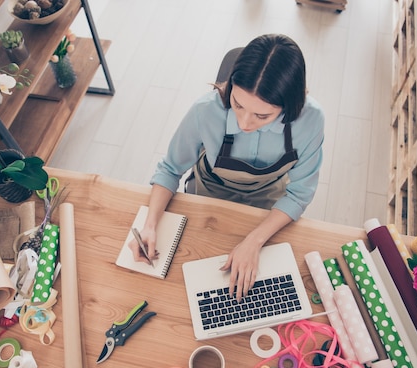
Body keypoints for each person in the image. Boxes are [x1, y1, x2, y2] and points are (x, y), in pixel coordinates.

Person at [130, 33, 324, 300]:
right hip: (207, 197)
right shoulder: (205, 111)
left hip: (269, 207)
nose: (244, 123)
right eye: (237, 104)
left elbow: (300, 193)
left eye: (262, 115)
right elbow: (171, 169)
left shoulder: (310, 120)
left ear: (289, 105)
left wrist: (254, 241)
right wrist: (150, 225)